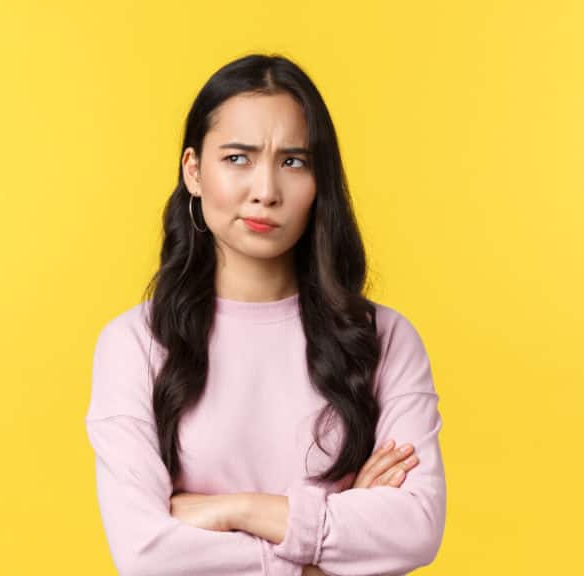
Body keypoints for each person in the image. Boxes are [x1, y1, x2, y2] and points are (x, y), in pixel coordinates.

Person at [85, 53, 446, 576]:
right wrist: (324, 554)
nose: (266, 192)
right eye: (238, 158)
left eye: (293, 162)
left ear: (320, 181)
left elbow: (415, 528)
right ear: (193, 171)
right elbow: (145, 554)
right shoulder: (135, 344)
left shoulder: (385, 339)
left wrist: (237, 510)